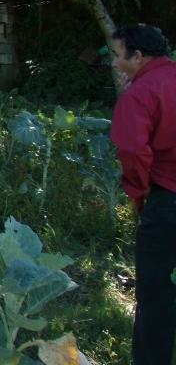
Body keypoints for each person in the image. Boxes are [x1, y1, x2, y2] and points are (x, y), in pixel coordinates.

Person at [109, 23, 176, 365]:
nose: (115, 64)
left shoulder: (138, 94)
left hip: (168, 199)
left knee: (156, 289)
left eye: (118, 56)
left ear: (138, 56)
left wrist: (142, 190)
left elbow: (133, 150)